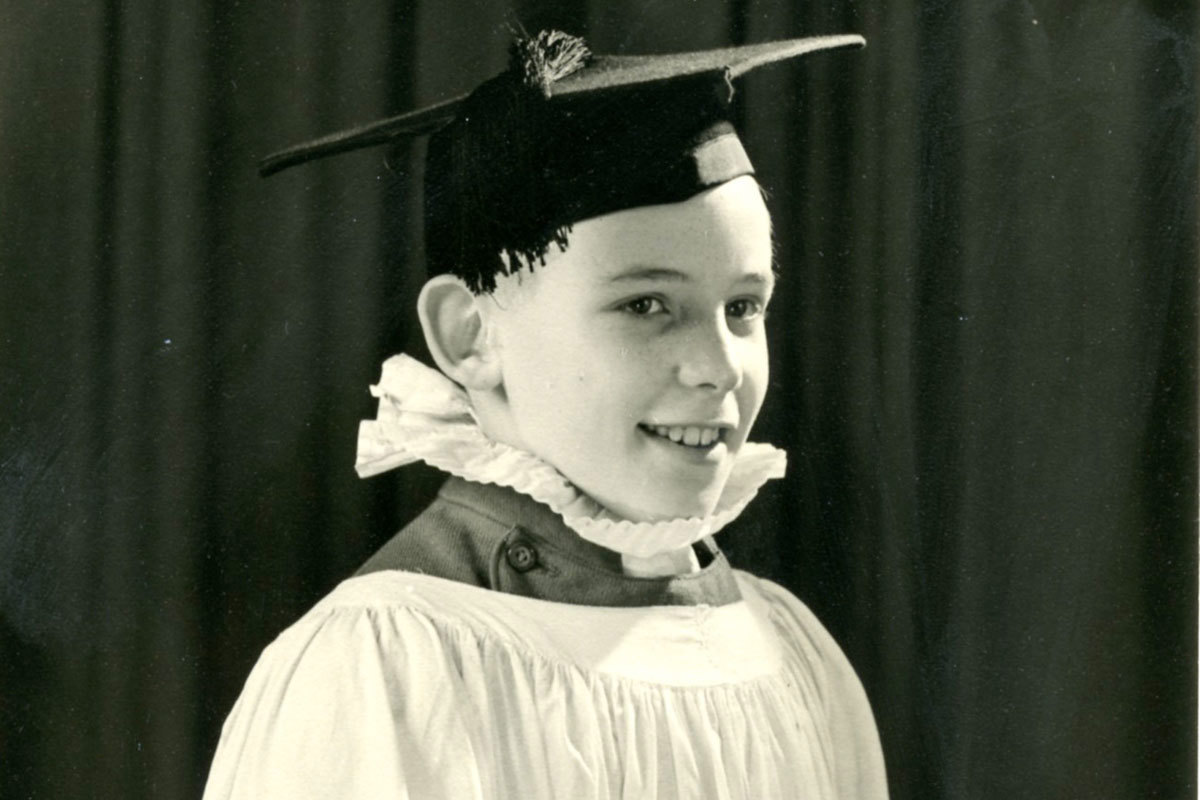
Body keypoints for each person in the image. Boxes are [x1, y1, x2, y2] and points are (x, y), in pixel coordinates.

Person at [203, 29, 888, 799]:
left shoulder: (788, 651)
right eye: (646, 304)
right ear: (469, 335)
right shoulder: (387, 660)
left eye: (742, 306)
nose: (721, 365)